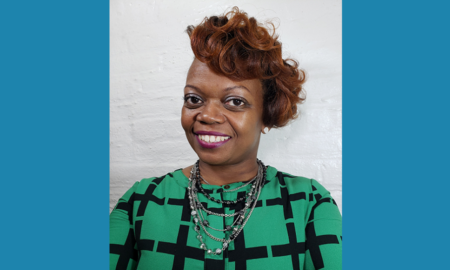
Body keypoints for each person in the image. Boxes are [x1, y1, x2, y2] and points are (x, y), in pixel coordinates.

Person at [110, 7, 342, 270]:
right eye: (194, 99)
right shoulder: (141, 202)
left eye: (235, 101)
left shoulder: (308, 204)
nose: (207, 115)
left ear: (267, 114)